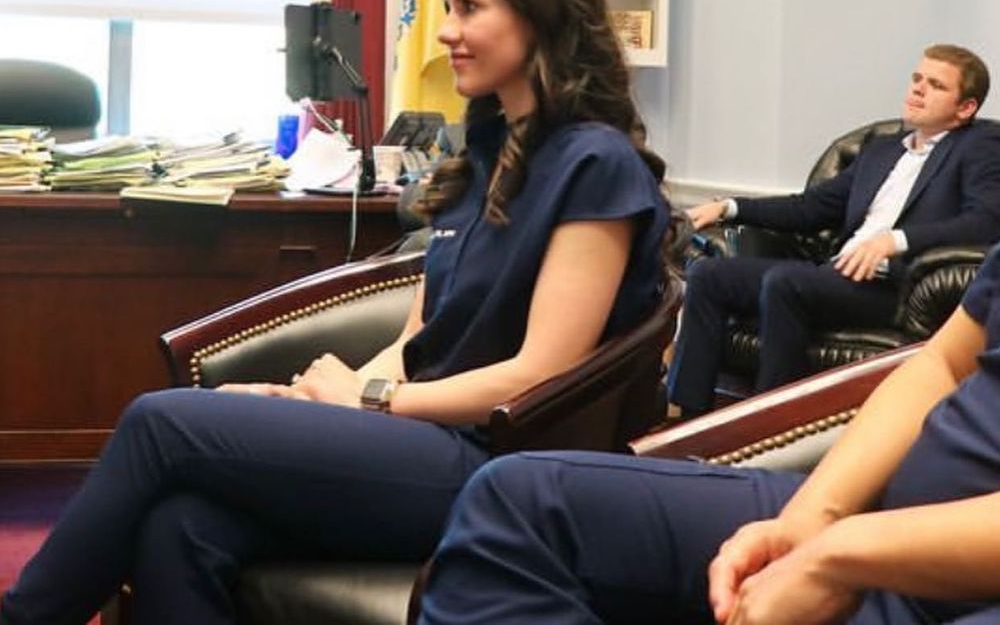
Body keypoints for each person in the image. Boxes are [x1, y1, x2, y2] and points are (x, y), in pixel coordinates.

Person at [0, 0, 669, 625]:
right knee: (181, 525)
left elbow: (538, 376)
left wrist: (369, 399)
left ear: (540, 15)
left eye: (470, 7)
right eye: (448, 7)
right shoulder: (481, 158)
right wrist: (306, 402)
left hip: (500, 471)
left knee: (159, 423)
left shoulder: (596, 164)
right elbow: (416, 342)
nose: (445, 31)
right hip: (422, 441)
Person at [416, 239, 1000, 625]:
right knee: (522, 503)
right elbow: (944, 363)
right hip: (882, 515)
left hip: (964, 578)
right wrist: (809, 520)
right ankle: (686, 405)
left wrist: (841, 554)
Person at [668, 44, 1000, 415]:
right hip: (835, 275)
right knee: (711, 275)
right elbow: (810, 208)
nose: (918, 89)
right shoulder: (882, 149)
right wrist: (730, 207)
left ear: (965, 108)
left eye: (936, 85)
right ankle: (689, 418)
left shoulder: (979, 147)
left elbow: (985, 221)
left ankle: (770, 425)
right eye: (917, 78)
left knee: (785, 282)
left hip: (892, 287)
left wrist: (896, 241)